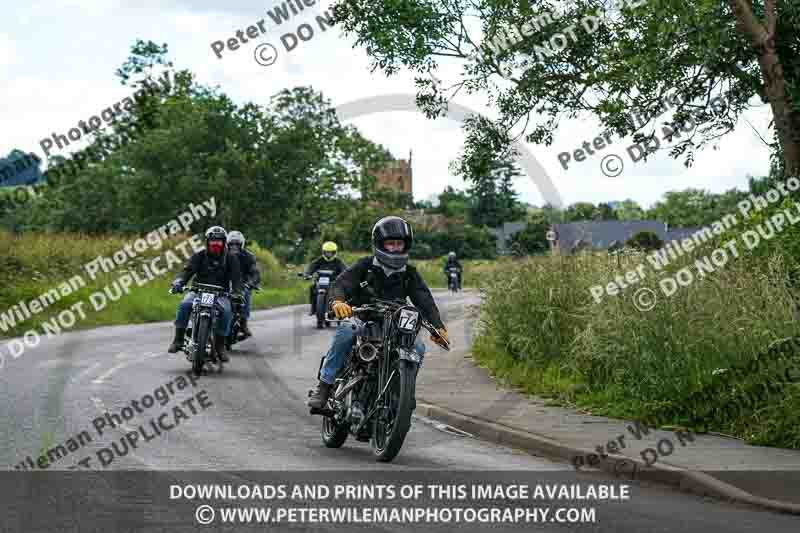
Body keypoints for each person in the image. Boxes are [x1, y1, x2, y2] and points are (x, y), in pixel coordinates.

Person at [307, 216, 449, 409]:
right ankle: (324, 386)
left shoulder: (409, 273)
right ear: (379, 244)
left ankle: (401, 392)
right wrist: (338, 302)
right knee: (347, 330)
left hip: (393, 322)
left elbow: (424, 300)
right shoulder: (365, 266)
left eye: (399, 244)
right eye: (391, 244)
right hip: (362, 316)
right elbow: (340, 284)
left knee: (418, 347)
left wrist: (438, 327)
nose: (396, 248)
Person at [167, 226, 242, 362]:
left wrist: (237, 293)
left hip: (221, 293)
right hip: (197, 290)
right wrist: (178, 282)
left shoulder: (231, 259)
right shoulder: (199, 255)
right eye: (213, 240)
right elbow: (187, 271)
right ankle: (178, 340)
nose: (216, 244)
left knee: (226, 311)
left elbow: (237, 279)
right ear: (207, 241)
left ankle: (220, 346)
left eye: (219, 241)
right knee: (184, 305)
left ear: (224, 242)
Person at [226, 230, 260, 338]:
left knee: (246, 292)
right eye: (231, 244)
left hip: (242, 283)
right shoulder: (221, 255)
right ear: (227, 244)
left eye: (237, 244)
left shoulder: (249, 256)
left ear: (242, 244)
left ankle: (243, 322)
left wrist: (251, 283)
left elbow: (255, 273)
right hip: (224, 282)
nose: (234, 246)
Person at [303, 241, 347, 316]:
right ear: (323, 252)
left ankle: (339, 309)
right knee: (312, 287)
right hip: (320, 281)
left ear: (334, 252)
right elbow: (311, 267)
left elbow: (345, 269)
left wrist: (345, 276)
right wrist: (307, 274)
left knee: (340, 292)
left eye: (330, 252)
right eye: (327, 252)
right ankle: (313, 308)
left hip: (333, 282)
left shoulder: (338, 262)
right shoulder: (319, 260)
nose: (328, 254)